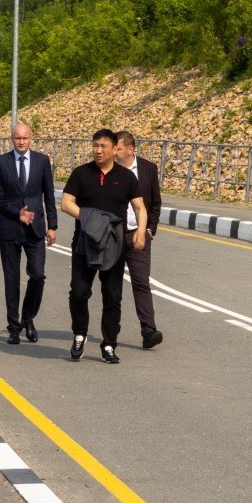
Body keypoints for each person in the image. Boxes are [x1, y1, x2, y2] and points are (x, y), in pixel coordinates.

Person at [60, 129, 147, 365]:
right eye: (95, 145)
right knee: (78, 292)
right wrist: (91, 219)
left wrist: (140, 231)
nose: (98, 150)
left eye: (103, 146)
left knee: (112, 297)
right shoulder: (82, 173)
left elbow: (140, 207)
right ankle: (80, 334)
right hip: (84, 243)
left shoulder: (126, 177)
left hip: (114, 245)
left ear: (114, 148)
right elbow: (66, 203)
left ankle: (109, 344)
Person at [0, 123, 57, 345]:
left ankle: (28, 318)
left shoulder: (42, 161)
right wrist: (14, 213)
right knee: (12, 280)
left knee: (37, 275)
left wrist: (52, 226)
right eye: (17, 138)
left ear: (31, 138)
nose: (21, 142)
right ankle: (13, 326)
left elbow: (49, 195)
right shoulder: (1, 162)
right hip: (9, 228)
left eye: (25, 138)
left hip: (36, 229)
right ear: (11, 139)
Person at [114, 130, 164, 349]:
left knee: (141, 282)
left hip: (139, 235)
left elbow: (155, 202)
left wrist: (150, 229)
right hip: (113, 236)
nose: (113, 152)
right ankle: (111, 330)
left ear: (130, 149)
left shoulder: (148, 169)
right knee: (112, 285)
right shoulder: (107, 170)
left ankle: (149, 331)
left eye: (118, 148)